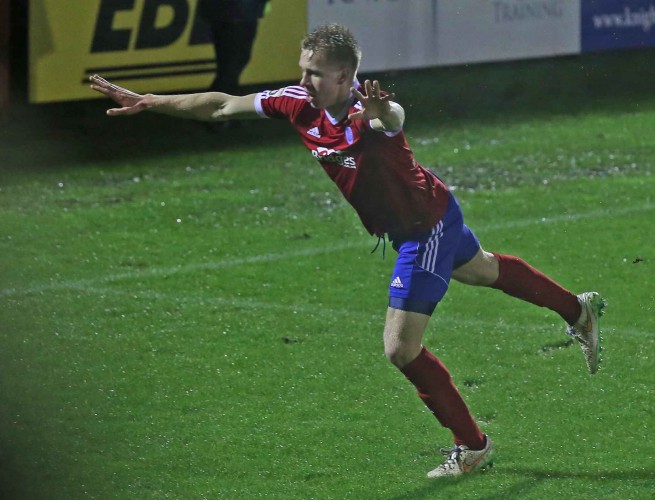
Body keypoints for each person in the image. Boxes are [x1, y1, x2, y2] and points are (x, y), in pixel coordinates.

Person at [89, 23, 606, 479]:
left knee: (400, 350)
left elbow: (392, 120)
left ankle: (473, 446)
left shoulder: (366, 113)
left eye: (315, 73)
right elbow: (223, 103)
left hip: (423, 229)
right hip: (431, 208)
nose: (305, 80)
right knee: (483, 269)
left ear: (345, 77)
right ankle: (578, 310)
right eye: (303, 70)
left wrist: (384, 109)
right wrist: (152, 101)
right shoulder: (298, 102)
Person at [197, 0, 270, 131]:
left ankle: (222, 112)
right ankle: (211, 111)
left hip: (227, 11)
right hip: (237, 12)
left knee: (230, 64)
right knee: (233, 63)